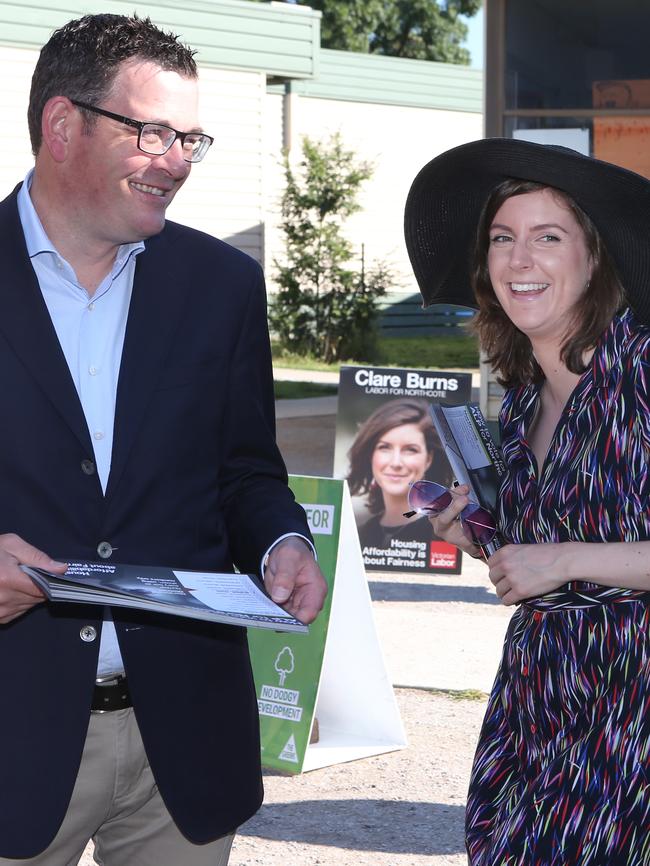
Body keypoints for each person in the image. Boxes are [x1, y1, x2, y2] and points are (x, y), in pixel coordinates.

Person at [0, 13, 327, 865]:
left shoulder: (220, 286)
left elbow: (247, 470)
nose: (177, 161)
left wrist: (282, 541)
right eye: (152, 132)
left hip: (181, 740)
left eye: (190, 138)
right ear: (62, 125)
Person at [404, 138, 650, 864]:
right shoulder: (518, 406)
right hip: (541, 697)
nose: (520, 261)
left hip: (635, 707)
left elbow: (565, 557)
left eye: (548, 237)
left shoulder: (641, 371)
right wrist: (478, 530)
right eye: (502, 239)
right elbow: (538, 555)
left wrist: (561, 559)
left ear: (595, 257)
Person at [347, 398, 452, 549]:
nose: (396, 463)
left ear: (428, 459)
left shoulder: (443, 534)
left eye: (410, 450)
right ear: (370, 454)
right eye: (385, 447)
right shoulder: (360, 533)